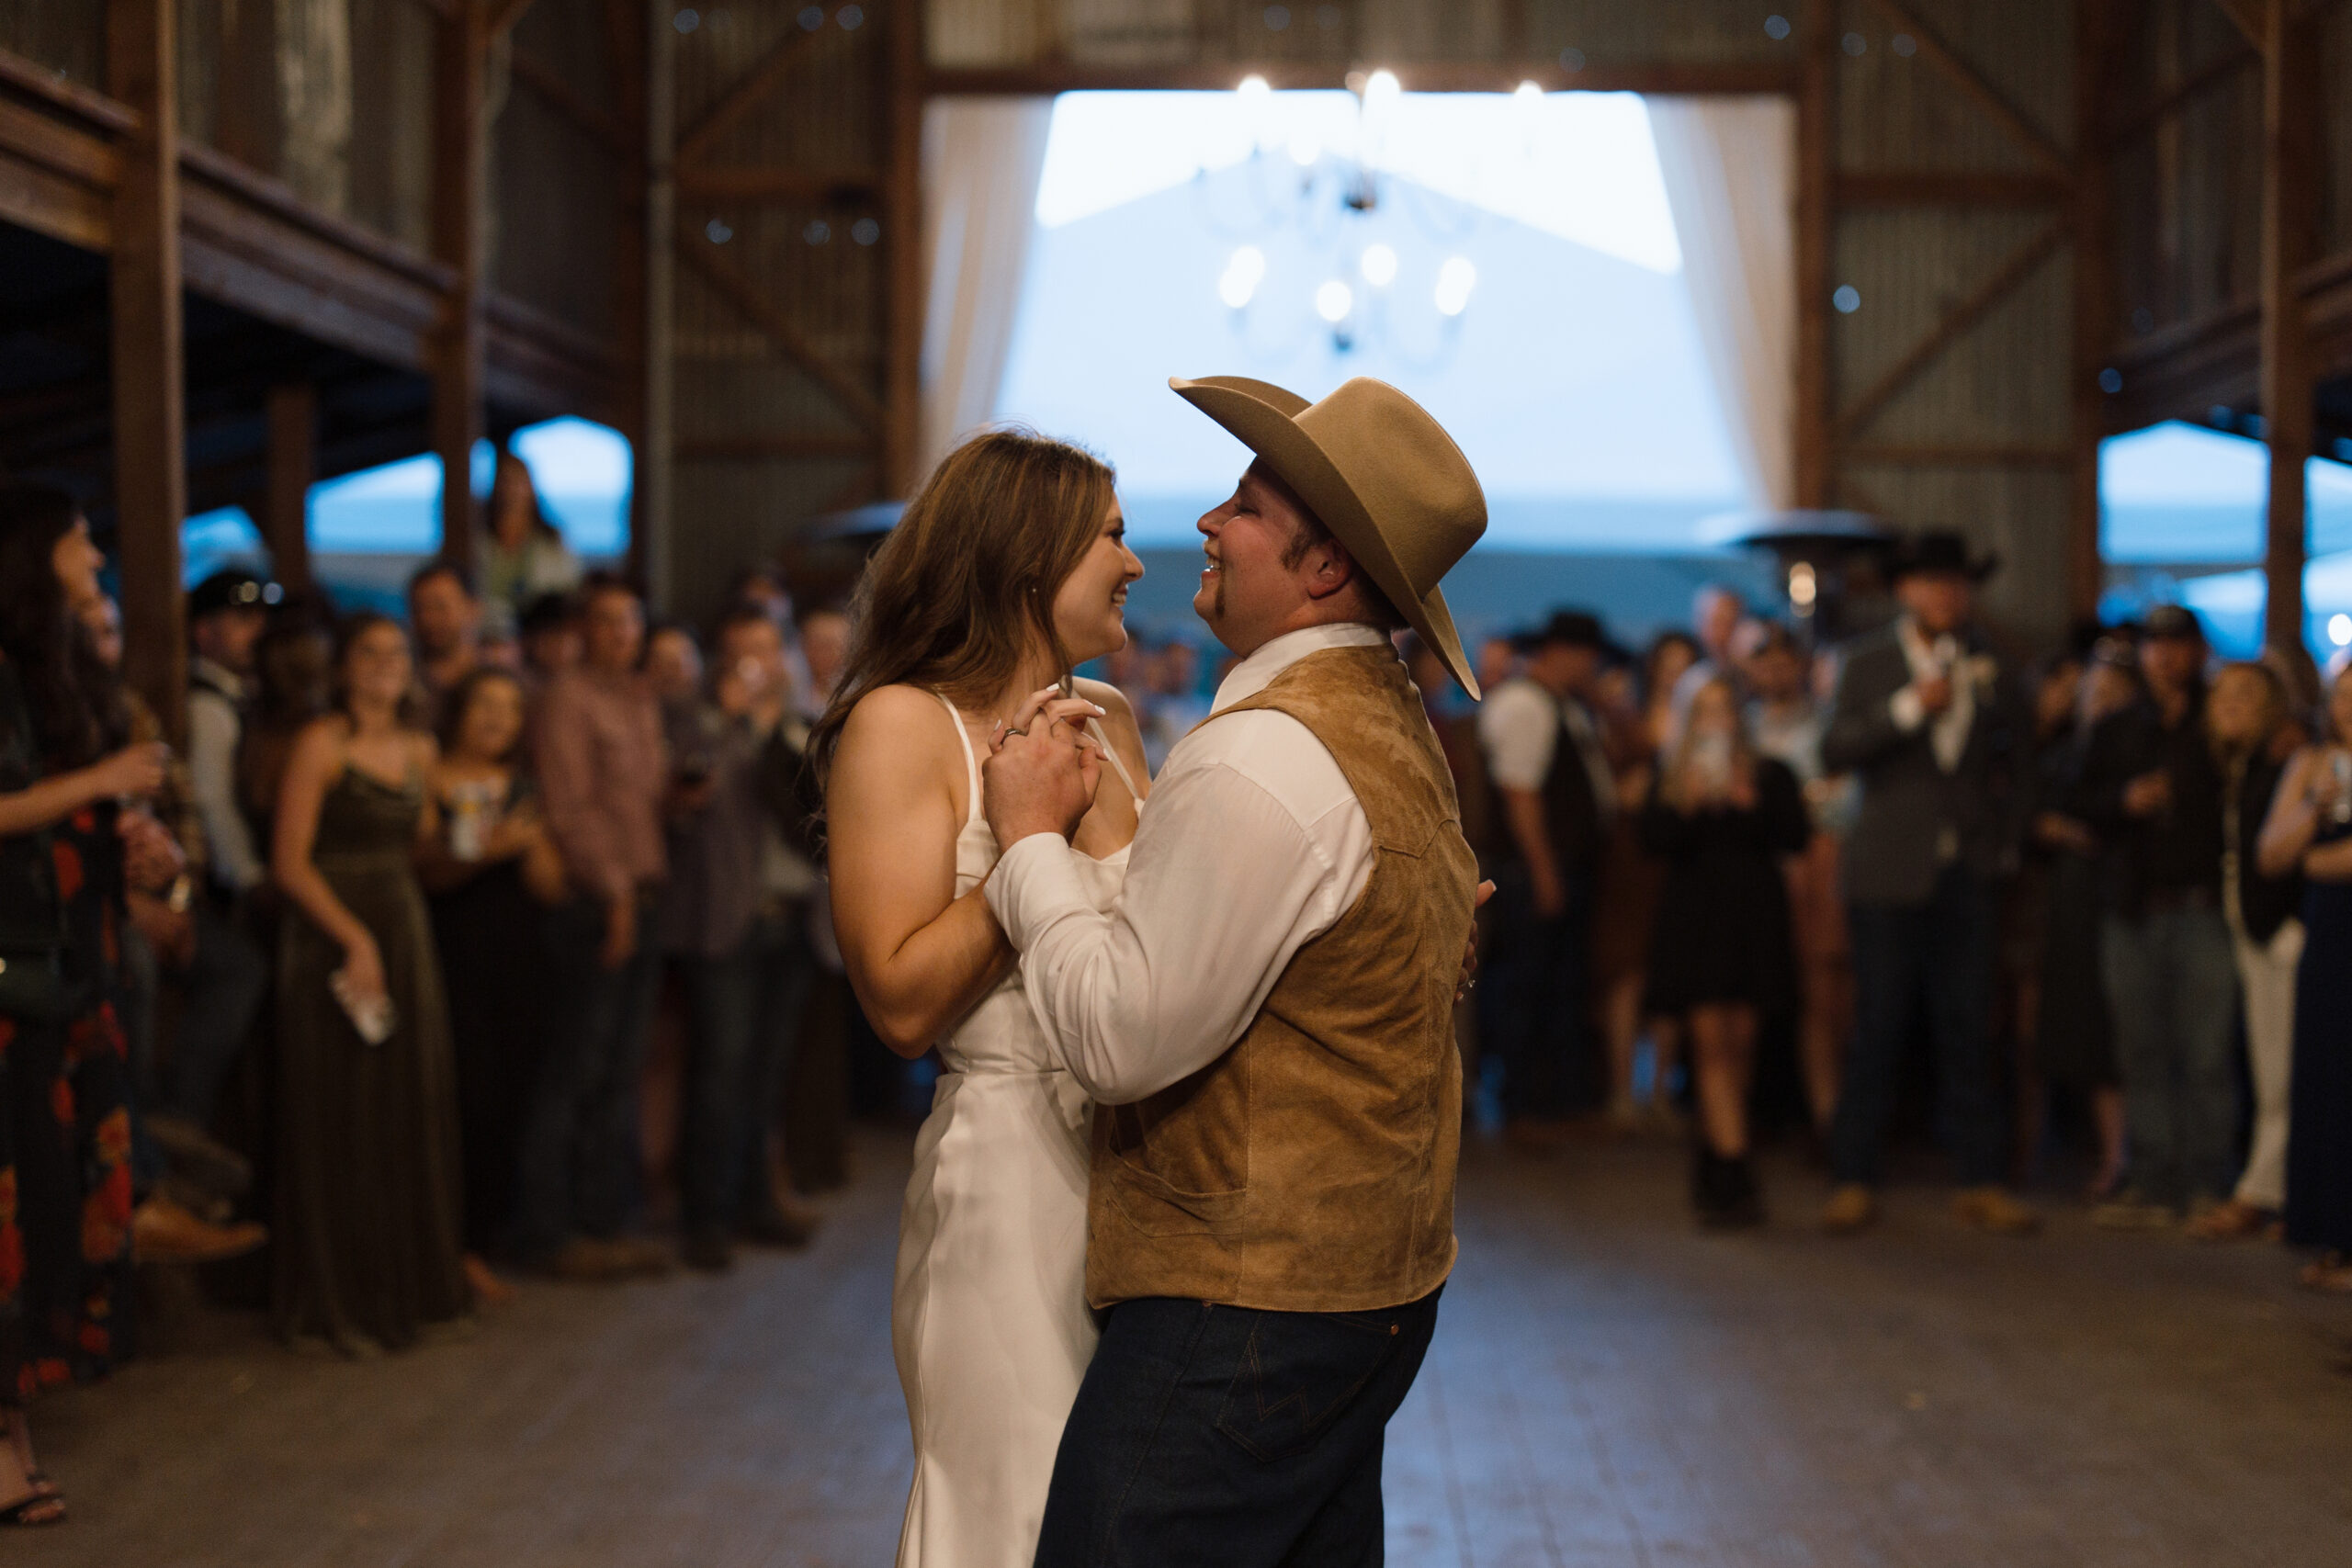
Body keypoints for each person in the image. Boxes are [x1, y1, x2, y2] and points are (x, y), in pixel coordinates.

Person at [982, 376, 1485, 1565]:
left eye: (1247, 505)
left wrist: (1029, 845)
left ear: (1322, 571)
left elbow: (1118, 1040)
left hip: (1247, 1301)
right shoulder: (1391, 728)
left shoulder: (1265, 748)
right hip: (1371, 1285)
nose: (1207, 522)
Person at [813, 429, 1151, 1568]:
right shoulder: (904, 724)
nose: (1136, 562)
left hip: (1142, 1177)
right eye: (1111, 534)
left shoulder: (1104, 713)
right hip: (1011, 1178)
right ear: (1027, 557)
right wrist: (1027, 844)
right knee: (1010, 1523)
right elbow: (901, 1004)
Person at [0, 483, 171, 1527]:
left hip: (70, 970)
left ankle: (15, 1428)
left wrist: (153, 852)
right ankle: (6, 1445)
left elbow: (93, 817)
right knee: (12, 1203)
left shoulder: (59, 671)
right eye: (80, 545)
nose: (98, 559)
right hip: (10, 977)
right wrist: (98, 781)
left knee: (52, 1201)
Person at [1820, 532, 2039, 1236]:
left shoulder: (1995, 665)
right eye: (1931, 582)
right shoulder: (1868, 662)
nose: (1947, 594)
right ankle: (1853, 1175)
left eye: (1957, 582)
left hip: (1968, 870)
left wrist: (2004, 842)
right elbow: (1835, 748)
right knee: (1879, 1023)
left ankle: (1981, 1177)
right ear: (1904, 590)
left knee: (1971, 1026)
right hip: (1888, 870)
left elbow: (2022, 763)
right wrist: (1911, 707)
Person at [269, 615, 469, 1354]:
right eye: (370, 652)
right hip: (331, 930)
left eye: (397, 652)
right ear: (344, 666)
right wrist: (355, 939)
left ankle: (405, 1291)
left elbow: (423, 845)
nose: (386, 664)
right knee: (339, 1112)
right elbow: (288, 863)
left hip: (403, 927)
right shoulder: (321, 742)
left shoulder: (420, 747)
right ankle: (338, 1301)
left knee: (403, 1105)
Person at [658, 606, 826, 1271]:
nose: (757, 664)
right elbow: (692, 797)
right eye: (741, 652)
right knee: (721, 1073)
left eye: (767, 649)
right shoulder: (697, 723)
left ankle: (757, 1199)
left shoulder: (802, 726)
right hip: (726, 920)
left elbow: (817, 810)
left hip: (792, 917)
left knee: (767, 1073)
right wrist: (733, 726)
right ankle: (706, 1217)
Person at [521, 574, 673, 1280]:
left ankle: (604, 1220)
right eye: (608, 622)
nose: (622, 634)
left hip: (644, 893)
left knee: (619, 1068)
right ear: (583, 628)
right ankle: (552, 1231)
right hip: (595, 903)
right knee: (575, 1069)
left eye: (631, 621)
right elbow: (569, 807)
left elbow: (638, 798)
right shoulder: (565, 699)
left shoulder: (639, 696)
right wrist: (614, 894)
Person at [2072, 605, 2237, 1230]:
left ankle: (2203, 1180)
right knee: (2140, 1048)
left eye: (2177, 644)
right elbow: (2078, 797)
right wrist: (2123, 799)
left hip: (2200, 907)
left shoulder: (2219, 722)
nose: (2164, 656)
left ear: (2197, 650)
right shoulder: (2119, 728)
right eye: (2154, 645)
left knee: (2204, 1052)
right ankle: (2150, 1174)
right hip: (2132, 908)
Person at [420, 667, 566, 1300]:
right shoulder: (430, 774)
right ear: (459, 710)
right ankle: (450, 1245)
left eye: (509, 709)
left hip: (520, 964)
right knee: (463, 1104)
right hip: (452, 959)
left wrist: (527, 844)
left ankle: (482, 1237)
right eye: (485, 704)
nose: (495, 719)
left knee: (508, 1103)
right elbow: (429, 873)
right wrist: (488, 848)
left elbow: (553, 886)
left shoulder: (524, 787)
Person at [1643, 674, 1811, 1225]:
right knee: (1711, 1046)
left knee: (1742, 1048)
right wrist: (1688, 804)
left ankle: (1714, 1160)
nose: (1716, 720)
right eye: (1705, 710)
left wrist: (1750, 801)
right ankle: (1737, 1168)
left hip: (1754, 921)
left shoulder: (1769, 773)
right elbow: (1652, 841)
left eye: (1725, 709)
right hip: (1698, 922)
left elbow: (1795, 835)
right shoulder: (1669, 775)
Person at [1477, 609, 1614, 1137]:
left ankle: (1548, 1099)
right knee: (1526, 986)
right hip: (1534, 871)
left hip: (1557, 868)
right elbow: (1521, 795)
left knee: (1553, 985)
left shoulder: (1561, 706)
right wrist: (1545, 872)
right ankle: (1521, 1104)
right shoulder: (1526, 705)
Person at [2188, 661, 2301, 1241]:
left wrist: (2289, 927)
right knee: (2267, 1069)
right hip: (2250, 931)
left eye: (2246, 695)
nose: (2230, 704)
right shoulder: (2233, 767)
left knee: (2283, 1073)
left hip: (2281, 935)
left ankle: (2266, 1197)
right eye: (2222, 694)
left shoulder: (2285, 760)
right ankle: (2281, 1195)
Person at [2256, 664, 2352, 1290]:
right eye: (2344, 694)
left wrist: (2316, 861)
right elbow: (2272, 856)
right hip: (2329, 936)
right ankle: (2328, 1229)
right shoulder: (2312, 764)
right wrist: (2316, 811)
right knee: (2324, 1071)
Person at [2030, 639, 2134, 1196]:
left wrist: (2071, 825)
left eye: (2115, 692)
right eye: (2094, 690)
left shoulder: (2137, 750)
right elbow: (2029, 811)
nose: (2101, 700)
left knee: (2124, 1027)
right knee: (2084, 1029)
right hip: (2069, 903)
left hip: (2120, 899)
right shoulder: (2063, 751)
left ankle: (2128, 1154)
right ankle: (2107, 1150)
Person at [1747, 623, 1850, 1135]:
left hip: (1814, 867)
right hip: (1756, 873)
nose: (1774, 670)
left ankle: (1827, 1117)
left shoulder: (1826, 723)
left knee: (1822, 990)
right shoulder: (1742, 725)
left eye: (1784, 660)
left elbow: (1841, 796)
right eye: (1763, 660)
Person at [186, 570, 277, 904]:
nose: (259, 631)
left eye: (261, 619)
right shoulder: (206, 705)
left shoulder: (242, 695)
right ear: (204, 631)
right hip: (230, 892)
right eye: (243, 619)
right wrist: (250, 878)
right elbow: (214, 801)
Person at [479, 450, 582, 618]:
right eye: (505, 481)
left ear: (531, 487)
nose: (511, 490)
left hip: (542, 627)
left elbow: (569, 586)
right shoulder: (480, 538)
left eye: (518, 481)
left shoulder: (552, 538)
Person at [406, 561, 482, 724]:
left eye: (440, 606)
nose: (428, 619)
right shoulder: (403, 685)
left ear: (472, 609)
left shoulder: (499, 684)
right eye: (419, 608)